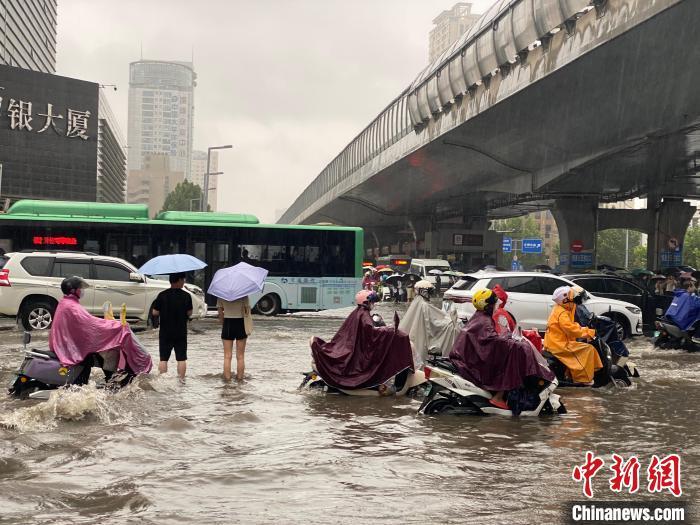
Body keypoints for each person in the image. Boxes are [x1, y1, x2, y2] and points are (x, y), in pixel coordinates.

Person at [448, 288, 554, 409]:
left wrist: (510, 339)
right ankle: (498, 397)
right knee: (510, 363)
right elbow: (492, 340)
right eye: (495, 303)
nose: (497, 305)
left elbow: (494, 336)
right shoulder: (485, 321)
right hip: (472, 362)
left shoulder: (480, 317)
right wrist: (514, 344)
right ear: (489, 305)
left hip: (469, 357)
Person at [310, 290, 414, 392]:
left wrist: (387, 330)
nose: (373, 304)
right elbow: (371, 332)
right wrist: (389, 331)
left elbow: (368, 333)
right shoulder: (364, 314)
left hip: (355, 347)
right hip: (359, 352)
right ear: (366, 302)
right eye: (372, 302)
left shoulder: (358, 312)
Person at [49, 276, 152, 377]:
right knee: (107, 348)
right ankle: (110, 379)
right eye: (80, 288)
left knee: (100, 349)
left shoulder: (66, 303)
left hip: (67, 343)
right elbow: (91, 324)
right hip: (69, 346)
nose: (82, 291)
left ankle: (110, 378)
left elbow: (87, 322)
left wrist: (108, 322)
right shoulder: (72, 306)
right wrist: (116, 326)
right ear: (73, 290)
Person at [544, 286, 603, 386]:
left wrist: (586, 330)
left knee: (588, 348)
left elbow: (574, 325)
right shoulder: (562, 312)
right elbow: (571, 330)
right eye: (572, 296)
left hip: (558, 341)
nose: (574, 298)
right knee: (588, 349)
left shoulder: (565, 308)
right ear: (565, 299)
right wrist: (590, 332)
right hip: (559, 344)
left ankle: (589, 372)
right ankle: (582, 380)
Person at [152, 272, 192, 380]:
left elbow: (155, 312)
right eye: (183, 280)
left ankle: (162, 381)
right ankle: (181, 381)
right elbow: (189, 313)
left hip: (165, 332)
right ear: (179, 280)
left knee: (163, 358)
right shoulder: (186, 296)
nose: (184, 282)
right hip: (181, 332)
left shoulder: (162, 295)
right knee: (181, 358)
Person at [217, 295, 253, 381]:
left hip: (228, 323)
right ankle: (240, 380)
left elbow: (220, 313)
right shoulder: (244, 294)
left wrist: (223, 324)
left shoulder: (222, 294)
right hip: (241, 323)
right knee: (240, 356)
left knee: (227, 356)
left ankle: (227, 380)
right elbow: (247, 310)